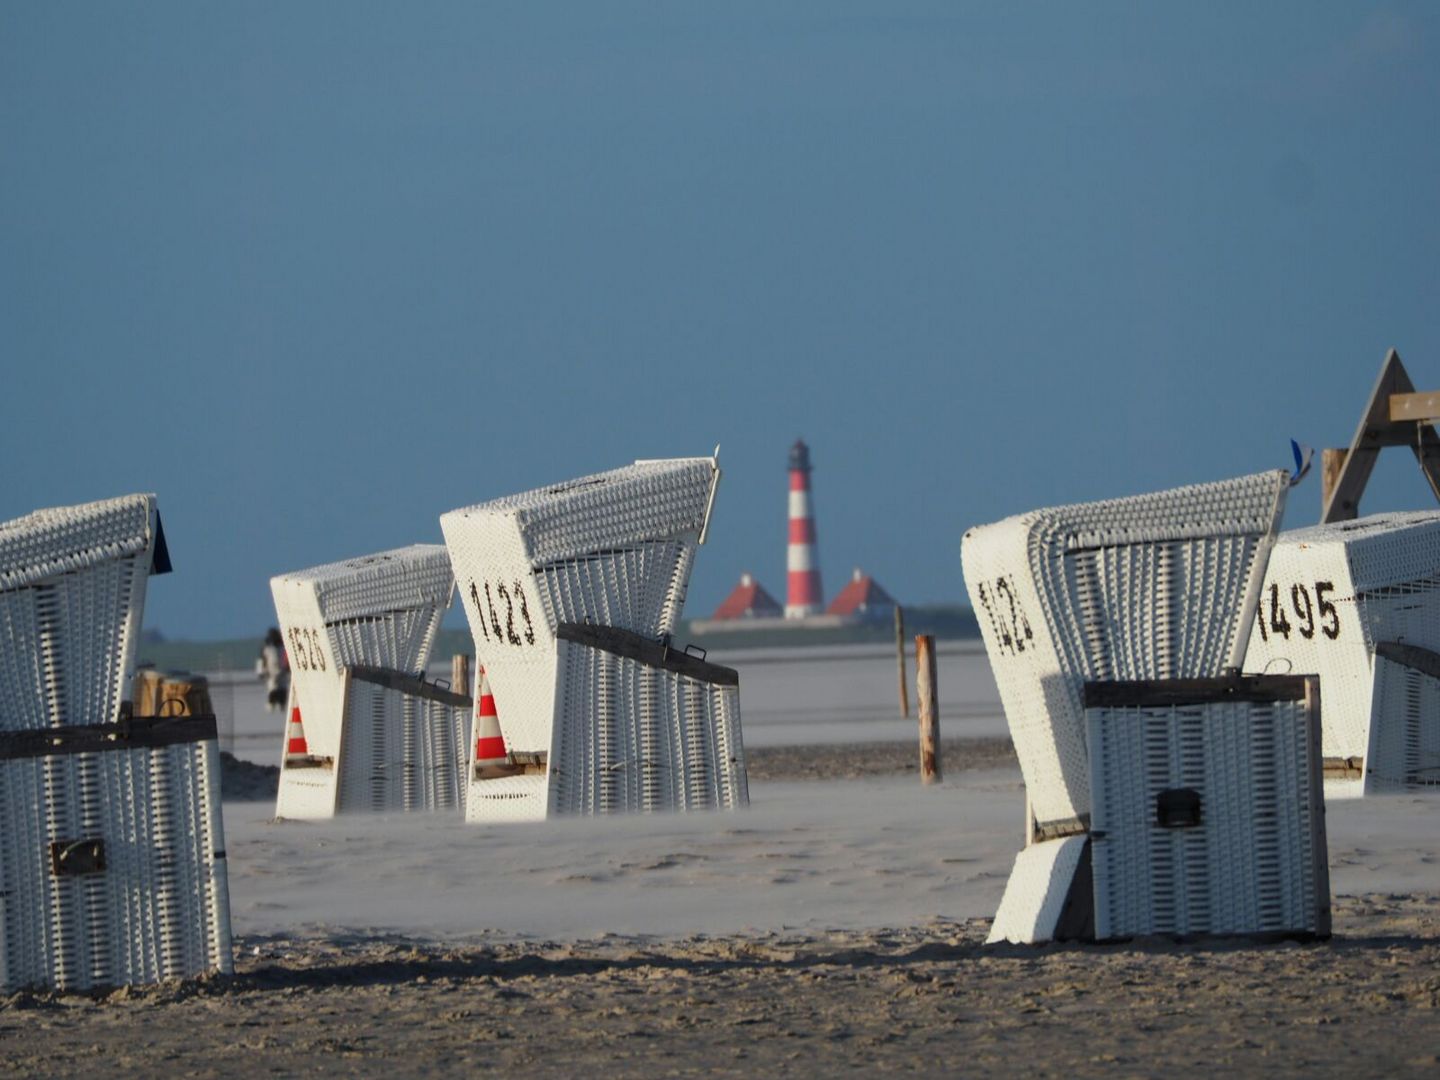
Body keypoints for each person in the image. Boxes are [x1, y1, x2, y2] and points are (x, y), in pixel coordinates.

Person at [256, 627, 290, 711]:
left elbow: (287, 658)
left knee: (283, 688)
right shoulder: (267, 649)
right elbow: (261, 660)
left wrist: (288, 668)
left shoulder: (283, 647)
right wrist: (260, 671)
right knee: (273, 689)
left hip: (282, 672)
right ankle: (271, 704)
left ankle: (282, 704)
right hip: (271, 673)